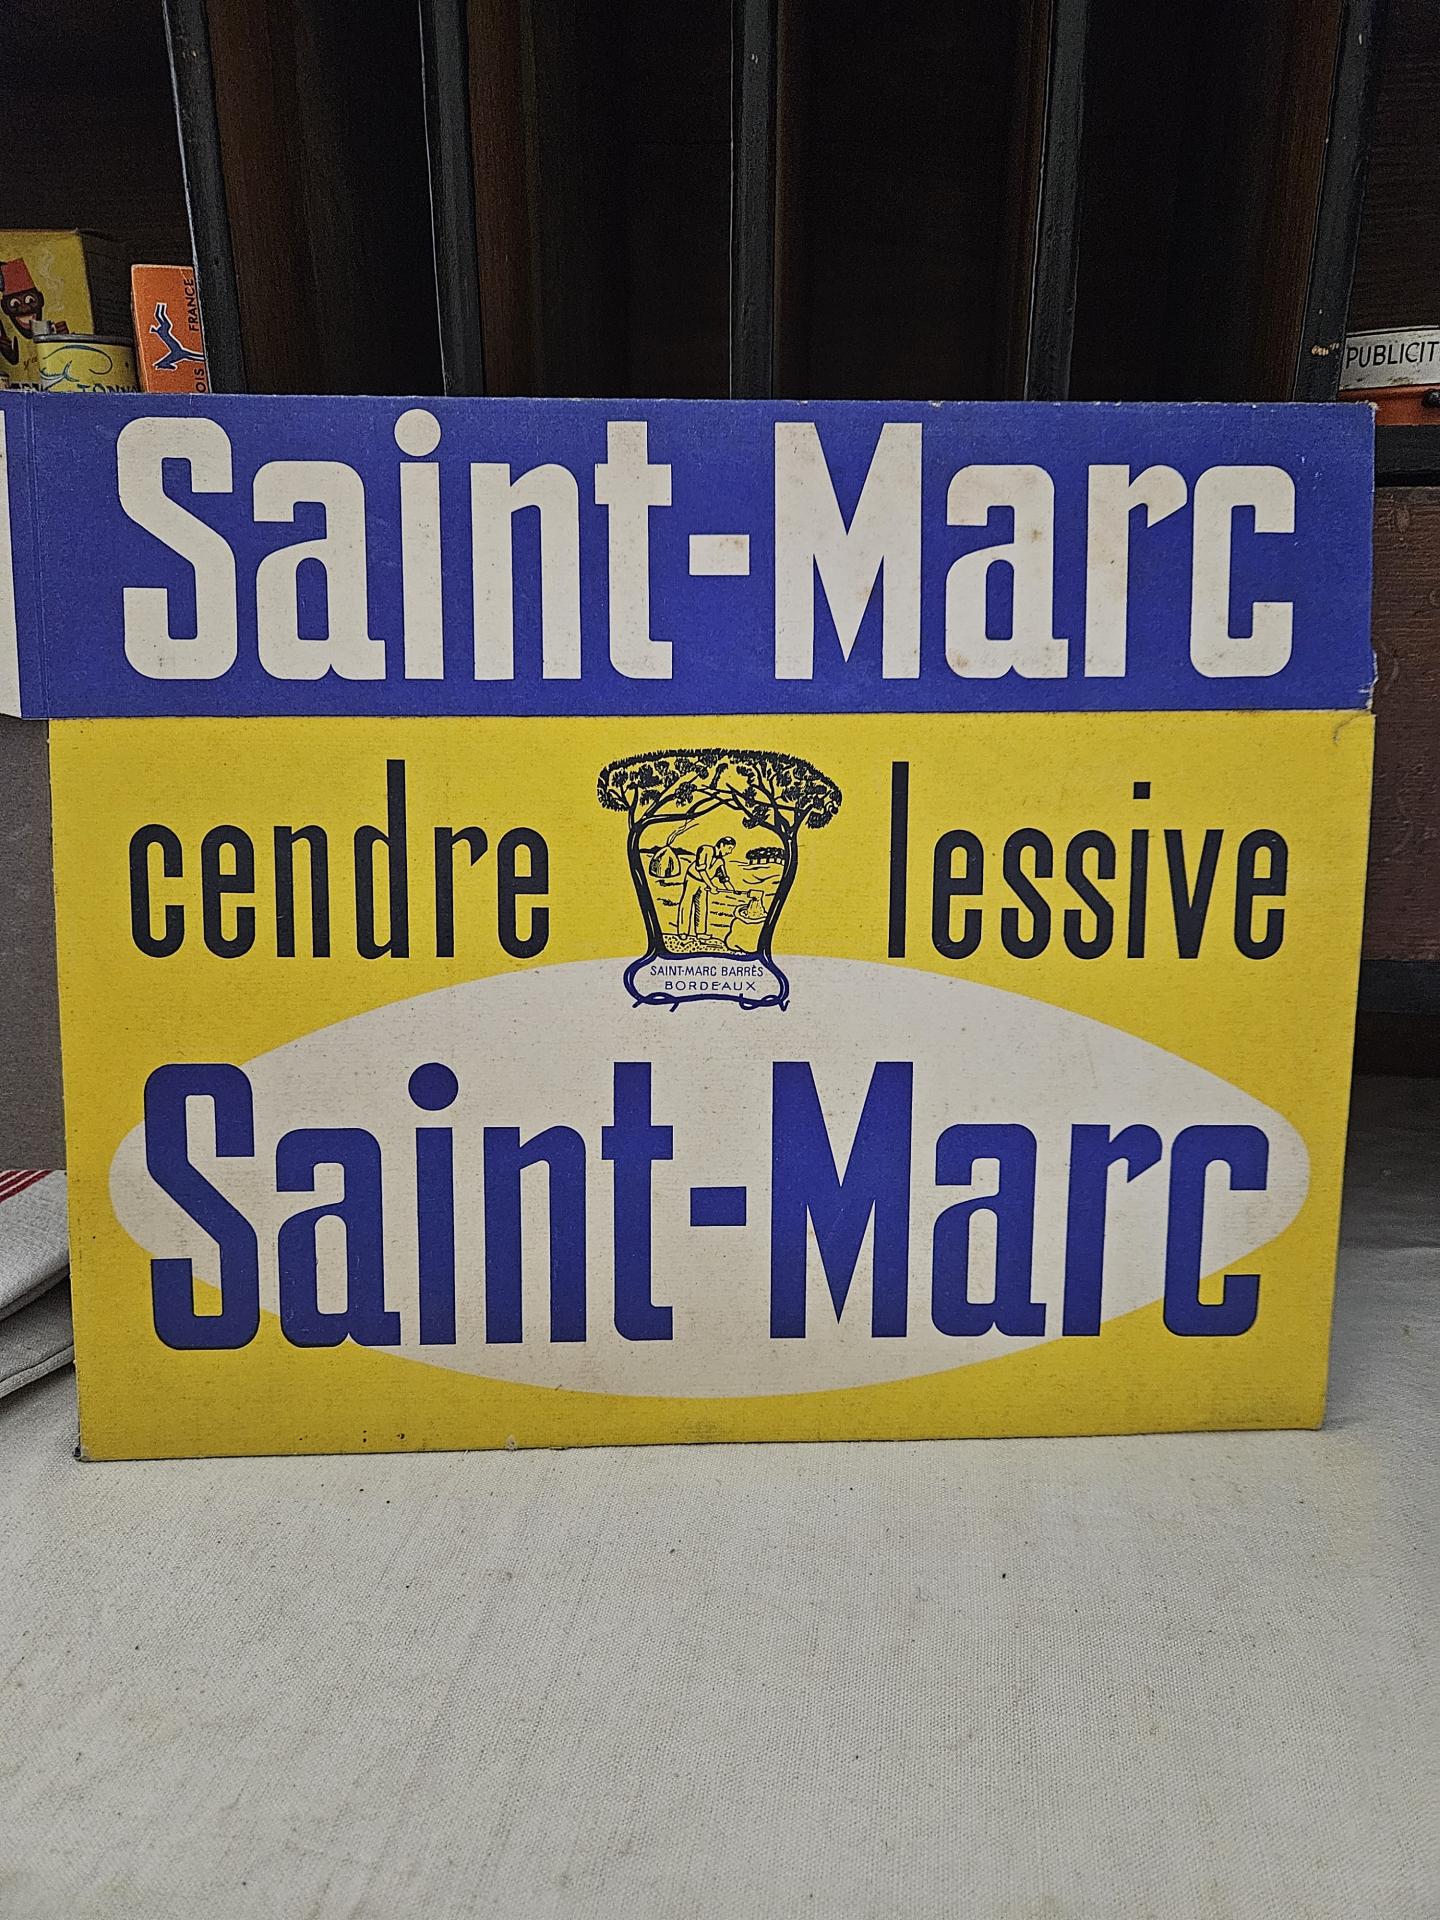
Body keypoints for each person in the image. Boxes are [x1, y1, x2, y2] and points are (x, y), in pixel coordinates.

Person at [677, 836, 736, 938]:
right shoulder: (705, 850)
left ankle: (700, 933)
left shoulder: (720, 862)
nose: (729, 852)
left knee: (702, 906)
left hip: (704, 884)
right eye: (729, 848)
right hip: (692, 879)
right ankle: (683, 932)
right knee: (686, 903)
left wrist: (733, 891)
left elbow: (724, 879)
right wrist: (711, 886)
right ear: (722, 845)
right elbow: (701, 870)